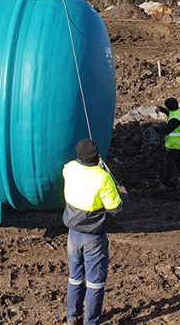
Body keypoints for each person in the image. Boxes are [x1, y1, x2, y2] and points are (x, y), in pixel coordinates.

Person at [62, 139, 124, 325]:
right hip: (93, 237)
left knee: (75, 277)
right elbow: (115, 207)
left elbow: (73, 166)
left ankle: (72, 316)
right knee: (95, 282)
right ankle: (91, 321)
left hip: (73, 234)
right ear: (97, 157)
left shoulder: (69, 169)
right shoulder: (102, 178)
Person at [156, 97, 180, 189]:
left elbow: (166, 131)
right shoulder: (178, 112)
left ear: (169, 107)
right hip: (179, 144)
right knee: (178, 164)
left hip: (175, 145)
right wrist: (161, 109)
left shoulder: (175, 120)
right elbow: (170, 114)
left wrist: (156, 129)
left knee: (169, 164)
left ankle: (165, 184)